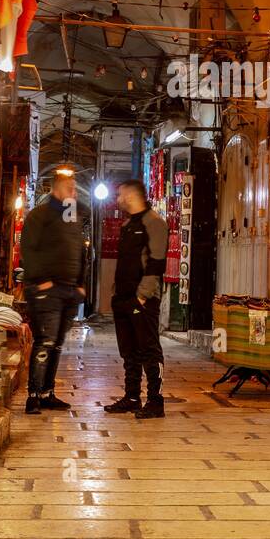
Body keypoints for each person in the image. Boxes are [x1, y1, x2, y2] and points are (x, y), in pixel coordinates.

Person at [19, 167, 87, 415]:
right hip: (46, 290)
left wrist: (80, 283)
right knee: (45, 341)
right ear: (56, 190)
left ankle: (47, 392)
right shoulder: (40, 216)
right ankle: (34, 395)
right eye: (69, 188)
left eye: (75, 190)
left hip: (69, 290)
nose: (74, 193)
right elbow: (29, 249)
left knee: (57, 343)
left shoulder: (72, 218)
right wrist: (41, 280)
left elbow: (80, 250)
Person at [104, 179, 168, 419]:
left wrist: (142, 296)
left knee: (149, 350)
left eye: (120, 195)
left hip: (143, 299)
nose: (118, 199)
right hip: (122, 297)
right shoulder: (128, 224)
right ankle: (132, 397)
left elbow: (156, 262)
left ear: (131, 196)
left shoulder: (154, 223)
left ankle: (155, 400)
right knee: (129, 351)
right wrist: (116, 292)